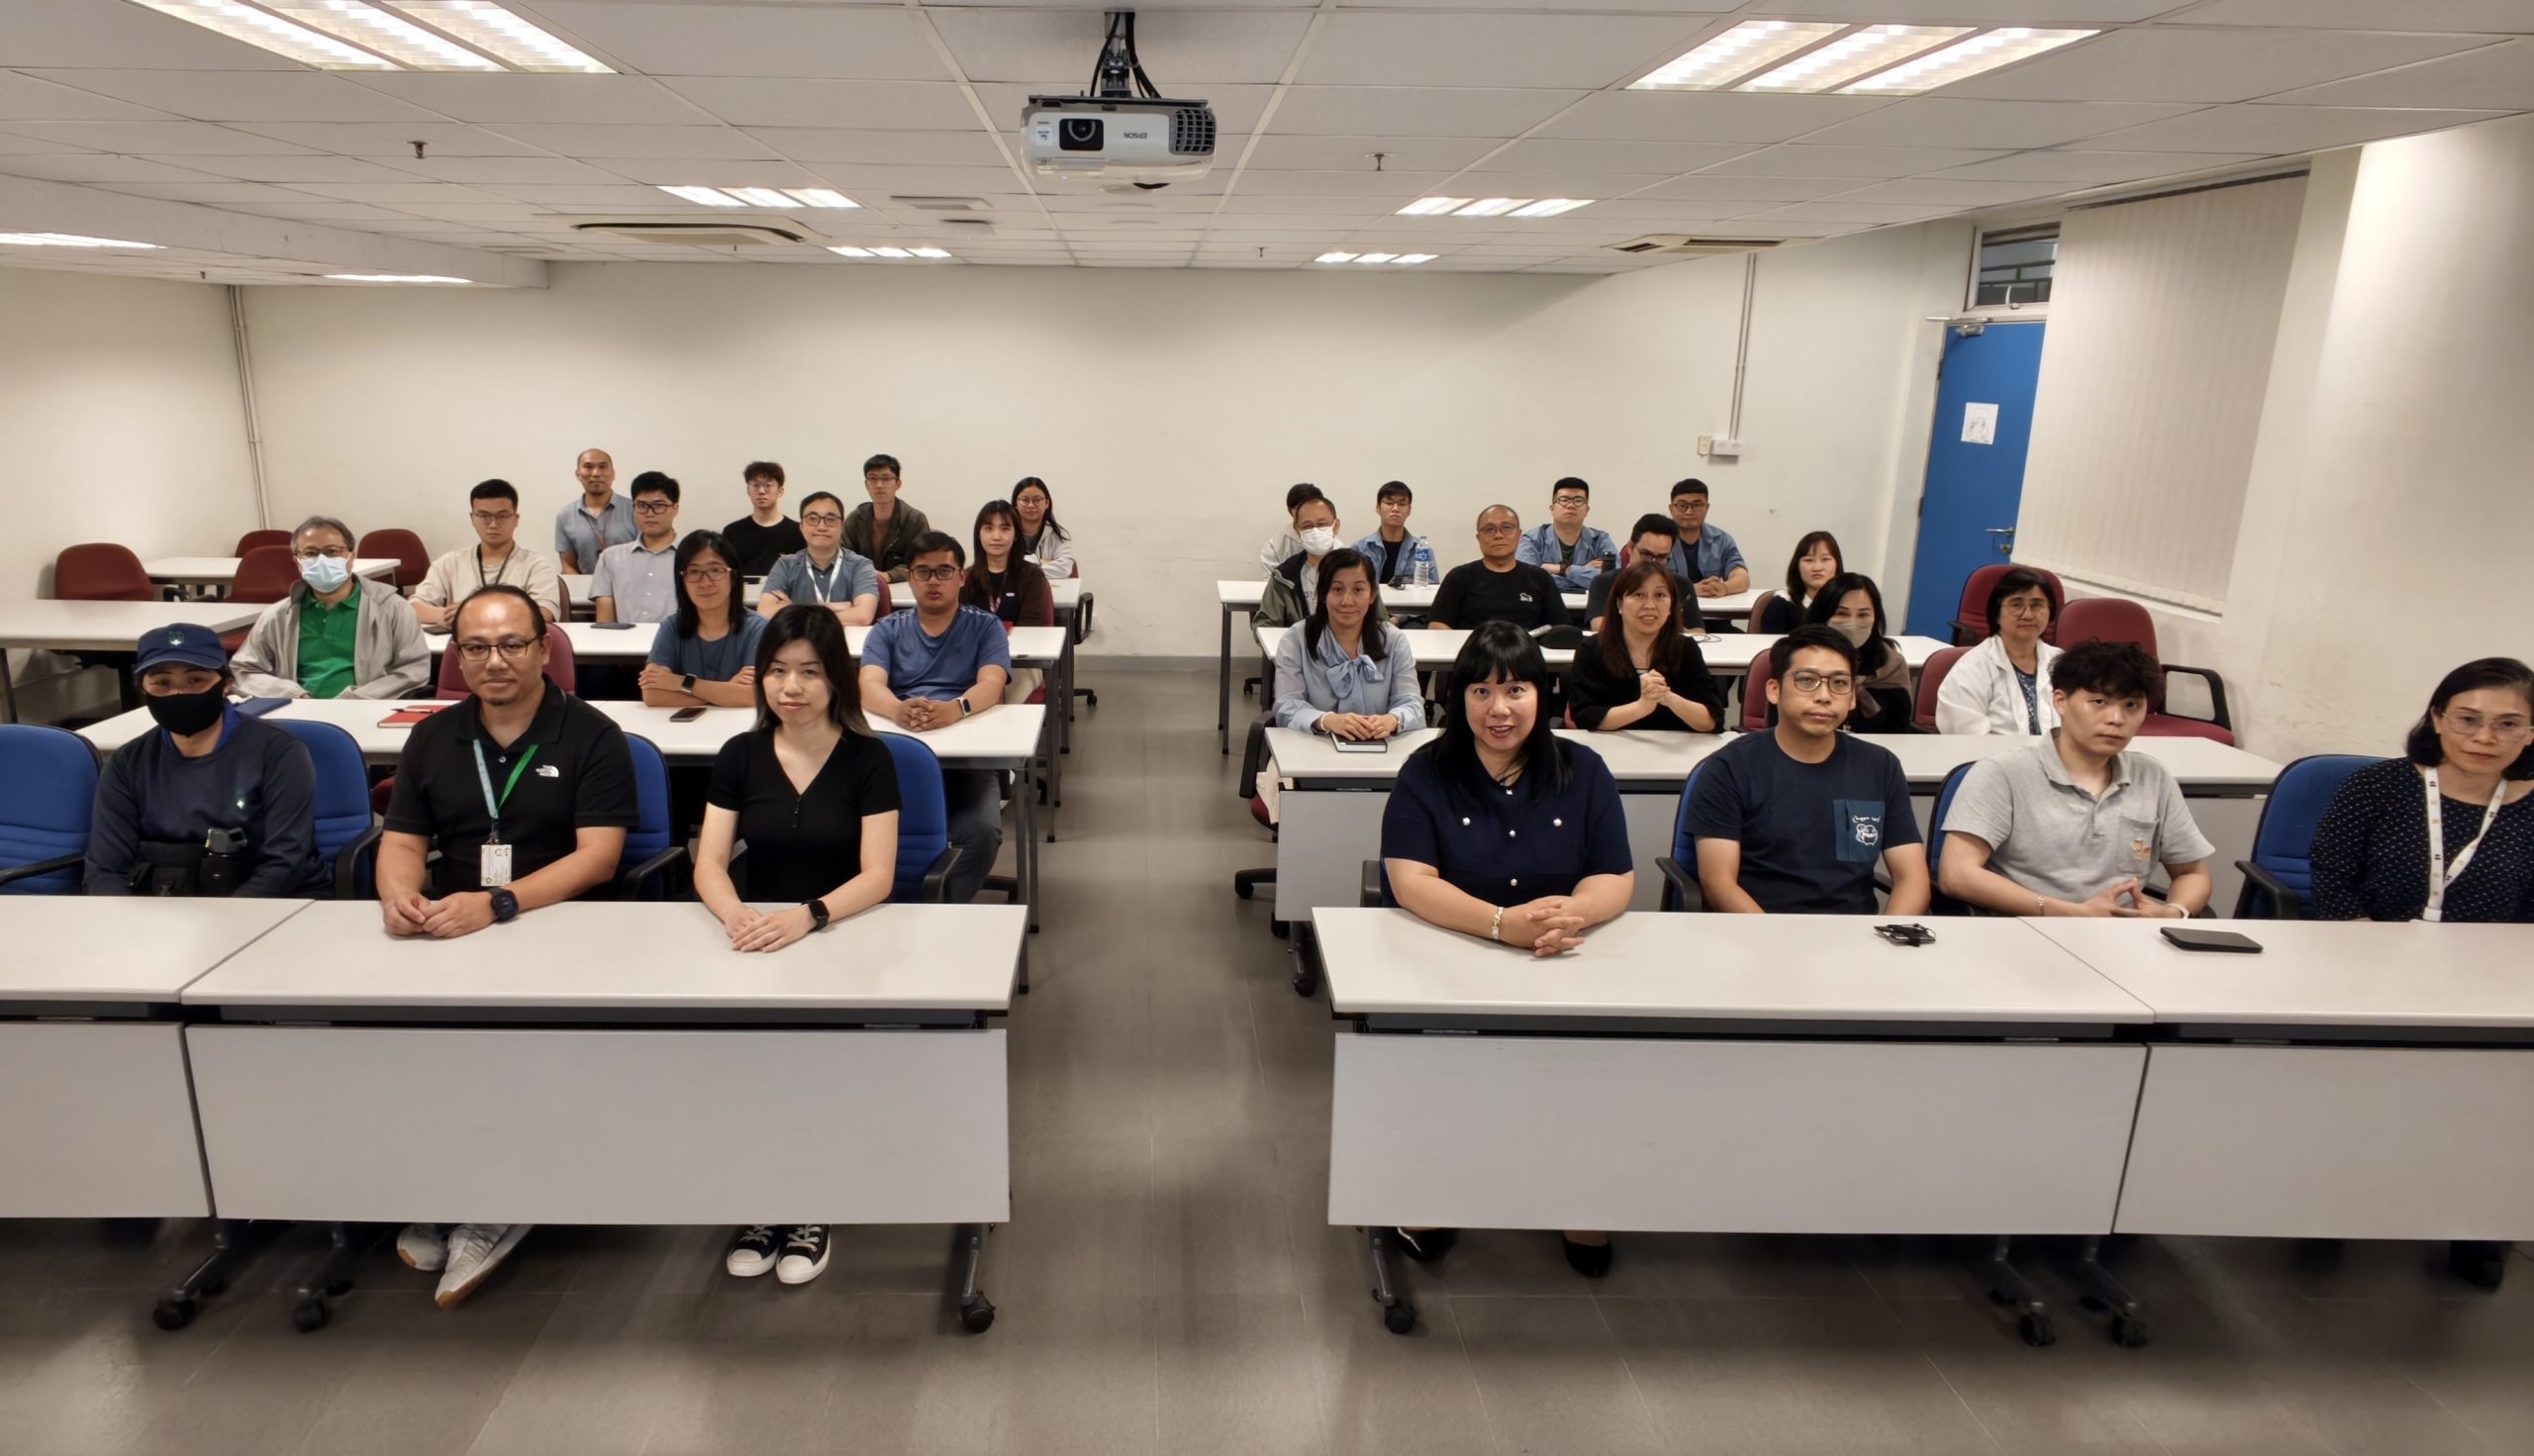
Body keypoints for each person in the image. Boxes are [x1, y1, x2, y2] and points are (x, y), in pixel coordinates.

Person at [377, 584, 637, 1309]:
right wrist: (398, 895)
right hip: (455, 924)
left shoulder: (592, 734)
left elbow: (599, 859)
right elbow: (403, 840)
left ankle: (497, 1204)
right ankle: (455, 1179)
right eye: (476, 647)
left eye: (512, 644)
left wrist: (497, 903)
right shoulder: (435, 736)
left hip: (562, 927)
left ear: (544, 646)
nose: (494, 661)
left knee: (511, 1050)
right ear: (457, 656)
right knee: (421, 1054)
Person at [1380, 622, 1632, 1276]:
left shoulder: (1584, 770)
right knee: (1450, 1076)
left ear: (1541, 695)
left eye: (1516, 689)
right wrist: (1499, 924)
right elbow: (1410, 880)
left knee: (1584, 1074)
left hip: (1558, 954)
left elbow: (1615, 875)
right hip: (1449, 952)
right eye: (1482, 691)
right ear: (1459, 697)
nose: (1500, 708)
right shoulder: (1426, 772)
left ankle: (1576, 1191)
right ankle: (1431, 1189)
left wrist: (1571, 914)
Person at [695, 606, 904, 1286]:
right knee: (753, 1076)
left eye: (810, 672)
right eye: (778, 671)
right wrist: (735, 915)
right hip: (759, 939)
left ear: (836, 679)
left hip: (840, 932)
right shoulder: (740, 754)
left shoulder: (869, 758)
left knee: (816, 1072)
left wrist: (807, 917)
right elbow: (709, 862)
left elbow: (878, 875)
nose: (791, 688)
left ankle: (813, 1201)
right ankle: (764, 1198)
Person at [1938, 640, 2216, 919]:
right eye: (2099, 702)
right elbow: (1956, 873)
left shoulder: (2153, 777)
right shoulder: (2003, 773)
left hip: (2124, 934)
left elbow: (2192, 873)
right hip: (2027, 927)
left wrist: (2172, 912)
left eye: (2131, 705)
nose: (2116, 718)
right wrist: (2068, 912)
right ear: (2060, 702)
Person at [1689, 626, 1929, 915]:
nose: (1824, 695)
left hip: (1853, 934)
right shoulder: (1729, 768)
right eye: (1807, 680)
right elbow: (1719, 883)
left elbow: (1912, 879)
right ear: (1774, 690)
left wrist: (1886, 934)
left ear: (1853, 697)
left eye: (1839, 683)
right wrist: (1774, 939)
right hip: (1759, 930)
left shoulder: (1881, 766)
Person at [83, 624, 324, 897]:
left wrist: (231, 917)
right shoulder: (126, 763)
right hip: (164, 904)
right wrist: (124, 918)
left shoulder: (278, 752)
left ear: (226, 684)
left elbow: (285, 862)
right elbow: (105, 869)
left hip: (265, 904)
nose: (178, 693)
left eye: (195, 680)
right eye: (162, 683)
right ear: (142, 689)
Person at [2311, 657, 2534, 922]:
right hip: (2370, 940)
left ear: (2530, 733)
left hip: (2495, 947)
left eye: (2508, 724)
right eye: (2467, 719)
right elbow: (2332, 878)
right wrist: (2367, 939)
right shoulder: (2377, 785)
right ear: (2438, 720)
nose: (2484, 738)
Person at [858, 533, 1011, 905]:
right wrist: (896, 709)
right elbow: (868, 684)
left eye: (944, 571)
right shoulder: (887, 629)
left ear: (961, 577)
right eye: (923, 572)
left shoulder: (985, 626)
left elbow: (992, 684)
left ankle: (938, 909)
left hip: (967, 754)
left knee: (981, 832)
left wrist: (956, 708)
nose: (933, 581)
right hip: (900, 753)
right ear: (909, 578)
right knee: (854, 826)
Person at [231, 515, 431, 700]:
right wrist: (291, 694)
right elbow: (244, 670)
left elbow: (414, 670)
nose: (321, 560)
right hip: (297, 711)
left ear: (351, 558)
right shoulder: (278, 615)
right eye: (310, 553)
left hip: (366, 709)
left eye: (332, 551)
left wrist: (356, 699)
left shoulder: (392, 608)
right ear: (298, 562)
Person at [1270, 548, 1422, 741]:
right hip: (1313, 745)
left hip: (1380, 747)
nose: (1347, 601)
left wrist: (1393, 719)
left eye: (1358, 590)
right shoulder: (1296, 639)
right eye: (1337, 589)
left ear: (1372, 595)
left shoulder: (1393, 641)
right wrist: (1326, 720)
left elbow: (1412, 704)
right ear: (1323, 594)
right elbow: (1286, 705)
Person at [1565, 559, 1723, 734]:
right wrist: (1642, 707)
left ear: (1672, 606)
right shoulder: (1592, 649)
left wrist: (1668, 698)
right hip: (1610, 747)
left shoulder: (1685, 649)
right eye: (1639, 595)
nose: (1650, 605)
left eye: (1660, 595)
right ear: (1619, 604)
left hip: (1674, 749)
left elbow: (1712, 720)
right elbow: (1584, 716)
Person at [640, 532, 767, 709]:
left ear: (733, 577)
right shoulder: (672, 626)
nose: (705, 583)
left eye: (715, 571)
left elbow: (751, 696)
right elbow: (652, 695)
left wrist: (680, 683)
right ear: (682, 581)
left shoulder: (759, 628)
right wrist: (727, 692)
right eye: (693, 572)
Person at [413, 479, 562, 628]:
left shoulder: (536, 565)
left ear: (516, 520)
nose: (493, 524)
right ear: (472, 518)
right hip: (464, 641)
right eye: (484, 516)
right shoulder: (449, 562)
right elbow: (414, 607)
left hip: (515, 641)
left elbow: (545, 613)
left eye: (502, 516)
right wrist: (450, 615)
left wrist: (473, 613)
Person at [1935, 568, 2063, 736]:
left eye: (2037, 605)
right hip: (1989, 752)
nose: (2028, 615)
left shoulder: (2063, 663)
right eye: (2016, 605)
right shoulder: (1972, 668)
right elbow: (1966, 738)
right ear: (1996, 613)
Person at [1427, 506, 1569, 633]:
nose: (1498, 535)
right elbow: (1437, 624)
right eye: (1489, 529)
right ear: (1479, 538)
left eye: (1507, 528)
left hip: (1527, 651)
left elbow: (1560, 627)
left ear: (1519, 535)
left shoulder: (1539, 577)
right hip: (1473, 651)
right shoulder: (1459, 576)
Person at [1803, 573, 1912, 732]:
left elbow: (1899, 729)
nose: (1852, 623)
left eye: (1863, 614)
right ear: (1823, 615)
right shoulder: (1798, 658)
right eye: (1842, 613)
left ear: (1875, 618)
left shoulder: (1891, 664)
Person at [1258, 493, 1385, 631]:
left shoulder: (1359, 569)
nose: (1315, 531)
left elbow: (1379, 620)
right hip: (1299, 643)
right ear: (1297, 530)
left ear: (1336, 526)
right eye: (1307, 526)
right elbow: (1265, 625)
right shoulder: (1284, 575)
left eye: (1322, 524)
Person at [757, 490, 880, 627]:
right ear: (801, 526)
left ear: (842, 526)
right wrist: (836, 607)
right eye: (812, 519)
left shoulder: (860, 565)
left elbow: (863, 616)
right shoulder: (785, 565)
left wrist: (793, 609)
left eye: (831, 519)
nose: (821, 527)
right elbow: (764, 612)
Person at [590, 471, 682, 625]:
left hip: (677, 640)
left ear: (675, 509)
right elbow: (605, 624)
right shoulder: (610, 558)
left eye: (659, 506)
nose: (650, 513)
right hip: (624, 639)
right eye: (642, 506)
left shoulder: (692, 555)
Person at [1581, 515, 1683, 632]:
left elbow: (1697, 631)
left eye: (1661, 557)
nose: (1652, 562)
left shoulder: (1681, 585)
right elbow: (1599, 627)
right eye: (1646, 554)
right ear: (1630, 548)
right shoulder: (1605, 582)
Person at [1515, 477, 1616, 597]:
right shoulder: (1532, 539)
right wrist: (1583, 572)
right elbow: (1528, 580)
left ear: (1587, 510)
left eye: (1578, 500)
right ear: (1552, 509)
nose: (1571, 505)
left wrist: (1566, 569)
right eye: (1564, 500)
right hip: (1543, 606)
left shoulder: (1601, 540)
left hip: (1590, 607)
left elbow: (1614, 581)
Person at [962, 500, 1055, 628]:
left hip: (1020, 640)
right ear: (978, 534)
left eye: (1005, 528)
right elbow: (961, 625)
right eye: (989, 528)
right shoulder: (966, 578)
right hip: (977, 641)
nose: (996, 536)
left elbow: (1029, 626)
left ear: (1016, 534)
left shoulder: (1032, 576)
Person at [843, 452, 932, 583]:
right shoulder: (855, 519)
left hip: (904, 588)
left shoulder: (914, 520)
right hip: (862, 585)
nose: (879, 485)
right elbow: (843, 556)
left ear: (898, 484)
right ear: (866, 484)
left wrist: (889, 575)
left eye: (886, 478)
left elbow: (922, 561)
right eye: (873, 478)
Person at [552, 447, 634, 575]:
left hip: (629, 584)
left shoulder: (635, 510)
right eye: (588, 467)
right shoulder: (565, 515)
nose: (596, 473)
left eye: (602, 467)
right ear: (578, 474)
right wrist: (583, 587)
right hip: (584, 586)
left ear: (613, 473)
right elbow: (568, 565)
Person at [1666, 478, 1749, 599]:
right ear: (1671, 509)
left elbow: (1742, 577)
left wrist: (1724, 588)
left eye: (1697, 505)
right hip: (1671, 608)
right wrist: (1690, 589)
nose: (1689, 512)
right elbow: (1646, 580)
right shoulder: (1658, 540)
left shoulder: (1721, 540)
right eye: (1682, 505)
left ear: (1707, 507)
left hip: (1713, 608)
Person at [722, 460, 805, 578]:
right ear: (748, 490)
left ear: (780, 491)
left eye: (768, 485)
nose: (761, 491)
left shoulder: (798, 531)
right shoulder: (732, 531)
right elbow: (726, 573)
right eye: (755, 485)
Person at [1352, 480, 1436, 589]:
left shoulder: (1421, 550)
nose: (1395, 509)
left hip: (1409, 600)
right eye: (1389, 503)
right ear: (1378, 508)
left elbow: (1433, 588)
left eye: (1402, 504)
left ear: (1409, 510)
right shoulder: (1360, 549)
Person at [1756, 532, 1843, 633]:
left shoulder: (1847, 601)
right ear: (1797, 566)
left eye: (1825, 559)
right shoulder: (1781, 605)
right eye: (1809, 560)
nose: (1817, 567)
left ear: (1837, 564)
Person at [1012, 476, 1076, 580]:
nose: (1031, 505)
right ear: (1016, 504)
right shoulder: (1006, 533)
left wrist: (1027, 566)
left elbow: (1065, 568)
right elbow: (1004, 567)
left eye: (1037, 500)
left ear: (1046, 503)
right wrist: (1040, 562)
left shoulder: (1058, 534)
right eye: (1025, 500)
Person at [1259, 483, 1326, 572]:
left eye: (1312, 507)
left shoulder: (1331, 541)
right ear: (1290, 511)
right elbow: (1271, 579)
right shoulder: (1273, 547)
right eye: (1299, 508)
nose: (1306, 512)